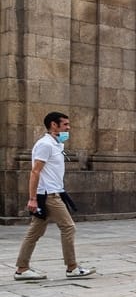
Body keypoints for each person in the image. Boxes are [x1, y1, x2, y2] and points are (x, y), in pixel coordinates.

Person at [14, 112, 96, 280]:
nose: (68, 127)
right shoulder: (45, 145)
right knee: (68, 227)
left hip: (53, 192)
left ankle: (22, 268)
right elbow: (35, 171)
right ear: (53, 125)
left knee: (34, 232)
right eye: (65, 124)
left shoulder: (56, 144)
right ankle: (72, 267)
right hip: (49, 195)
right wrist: (32, 198)